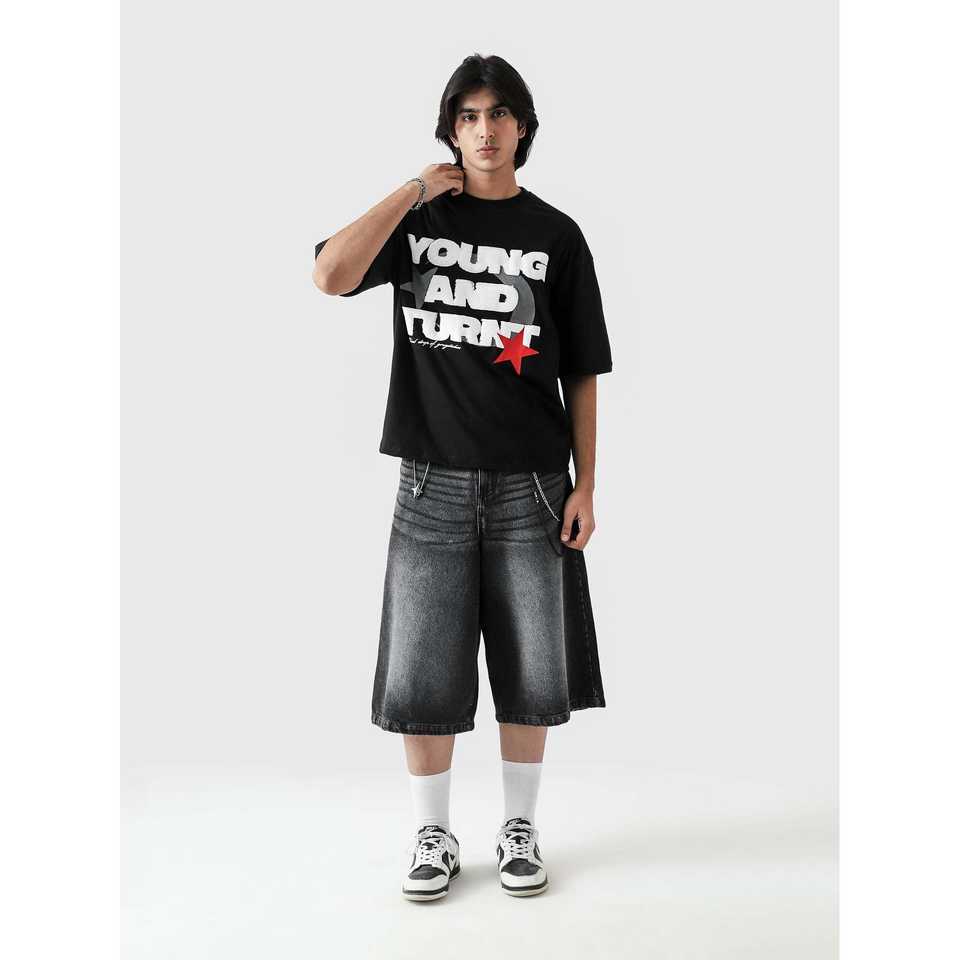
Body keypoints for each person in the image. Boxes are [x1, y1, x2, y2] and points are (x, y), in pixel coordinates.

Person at [312, 53, 613, 901]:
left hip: (534, 486)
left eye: (500, 114)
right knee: (423, 669)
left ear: (523, 128)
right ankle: (432, 834)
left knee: (533, 667)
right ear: (451, 129)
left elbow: (583, 370)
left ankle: (519, 828)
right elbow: (330, 275)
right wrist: (411, 191)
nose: (486, 130)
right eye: (470, 115)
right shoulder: (417, 222)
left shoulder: (557, 235)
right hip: (431, 485)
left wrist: (587, 484)